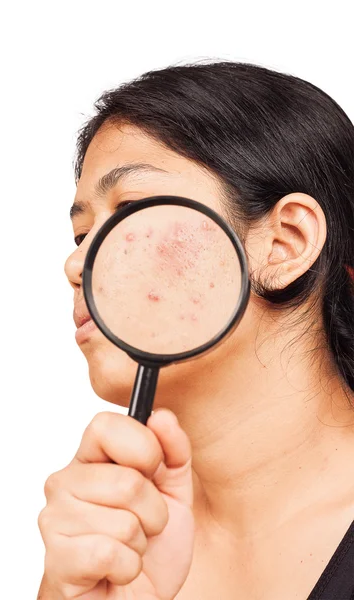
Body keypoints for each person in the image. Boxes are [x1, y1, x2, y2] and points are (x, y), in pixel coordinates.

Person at [37, 61, 354, 599]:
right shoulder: (115, 547)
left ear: (285, 243)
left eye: (129, 211)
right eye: (81, 234)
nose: (76, 266)